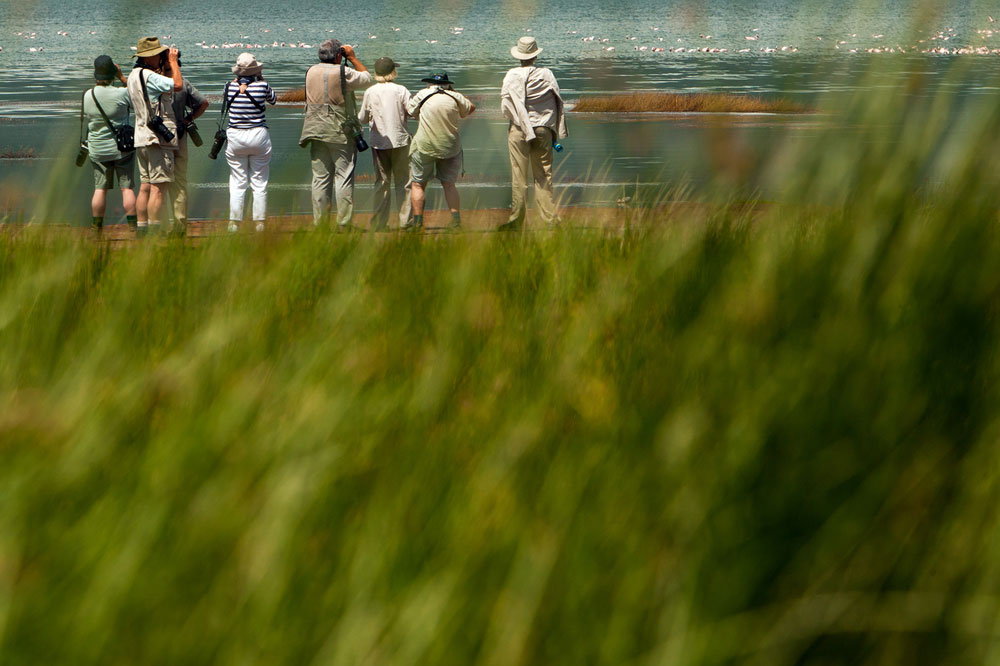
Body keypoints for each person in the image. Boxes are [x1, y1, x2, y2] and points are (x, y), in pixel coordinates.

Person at [299, 39, 372, 230]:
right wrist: (354, 58)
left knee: (320, 179)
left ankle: (320, 223)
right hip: (339, 130)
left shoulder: (310, 71)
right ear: (338, 55)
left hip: (314, 130)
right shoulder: (343, 72)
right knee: (343, 176)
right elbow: (367, 78)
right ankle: (343, 222)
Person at [499, 36, 568, 231]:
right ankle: (549, 220)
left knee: (519, 176)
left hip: (519, 129)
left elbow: (506, 103)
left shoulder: (512, 74)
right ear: (535, 55)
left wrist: (519, 120)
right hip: (543, 129)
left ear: (519, 55)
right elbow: (556, 101)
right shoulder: (546, 74)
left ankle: (516, 220)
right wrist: (554, 130)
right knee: (544, 175)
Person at [126, 37, 182, 237]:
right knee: (158, 189)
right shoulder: (150, 76)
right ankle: (155, 232)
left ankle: (142, 229)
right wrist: (173, 63)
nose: (162, 57)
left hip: (141, 137)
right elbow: (177, 84)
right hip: (157, 140)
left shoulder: (133, 75)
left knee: (145, 187)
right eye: (159, 54)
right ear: (150, 57)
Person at [405, 73, 475, 231]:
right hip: (450, 146)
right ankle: (456, 222)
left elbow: (409, 111)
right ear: (447, 85)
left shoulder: (424, 94)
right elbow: (471, 107)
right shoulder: (455, 96)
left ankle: (417, 223)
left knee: (418, 184)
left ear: (429, 84)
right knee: (449, 185)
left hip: (425, 145)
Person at [222, 53, 277, 233]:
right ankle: (259, 223)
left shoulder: (228, 87)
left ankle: (234, 223)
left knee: (238, 181)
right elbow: (273, 100)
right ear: (256, 71)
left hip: (235, 136)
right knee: (259, 181)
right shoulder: (263, 86)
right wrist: (261, 79)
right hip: (258, 135)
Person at [83, 55, 136, 231]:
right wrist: (122, 77)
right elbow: (137, 96)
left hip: (97, 148)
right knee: (126, 189)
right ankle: (133, 228)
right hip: (122, 148)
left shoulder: (88, 95)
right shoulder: (122, 93)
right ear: (113, 73)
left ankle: (96, 228)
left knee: (100, 189)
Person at [358, 57, 412, 230]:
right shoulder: (401, 90)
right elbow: (411, 111)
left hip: (378, 142)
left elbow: (363, 118)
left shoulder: (370, 91)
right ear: (392, 72)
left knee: (382, 182)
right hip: (400, 141)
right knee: (404, 182)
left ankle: (380, 223)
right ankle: (406, 222)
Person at [166, 50, 209, 235]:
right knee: (180, 182)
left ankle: (157, 222)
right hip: (180, 134)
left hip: (161, 138)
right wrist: (188, 119)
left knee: (159, 183)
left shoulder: (156, 83)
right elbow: (204, 103)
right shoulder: (184, 85)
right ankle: (180, 223)